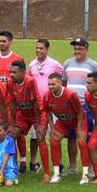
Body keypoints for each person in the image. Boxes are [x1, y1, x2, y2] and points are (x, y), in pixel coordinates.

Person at [62, 37, 97, 175]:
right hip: (71, 107)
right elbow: (64, 83)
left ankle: (89, 168)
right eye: (75, 48)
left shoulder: (93, 65)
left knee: (87, 136)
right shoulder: (67, 63)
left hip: (86, 106)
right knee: (72, 137)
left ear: (86, 50)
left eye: (80, 49)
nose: (77, 51)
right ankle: (72, 167)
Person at [7, 60, 50, 183]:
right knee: (11, 136)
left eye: (14, 72)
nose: (11, 75)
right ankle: (13, 171)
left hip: (37, 113)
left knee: (40, 137)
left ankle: (46, 173)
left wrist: (39, 124)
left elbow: (36, 103)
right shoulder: (10, 83)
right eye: (10, 72)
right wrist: (13, 124)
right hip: (23, 114)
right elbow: (12, 103)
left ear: (22, 72)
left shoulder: (30, 81)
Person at [43, 73, 90, 184]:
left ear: (60, 83)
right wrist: (53, 128)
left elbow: (80, 112)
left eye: (53, 84)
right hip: (63, 122)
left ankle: (85, 175)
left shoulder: (70, 95)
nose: (50, 87)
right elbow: (48, 112)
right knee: (53, 141)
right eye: (49, 84)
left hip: (78, 120)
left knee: (82, 143)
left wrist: (79, 129)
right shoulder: (47, 95)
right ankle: (56, 174)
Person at [27, 39, 63, 173]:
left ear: (47, 49)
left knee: (54, 135)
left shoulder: (55, 64)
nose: (38, 51)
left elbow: (62, 79)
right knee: (35, 135)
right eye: (36, 48)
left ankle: (58, 162)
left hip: (52, 104)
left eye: (41, 48)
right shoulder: (31, 65)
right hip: (36, 105)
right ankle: (33, 162)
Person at [0, 120, 19, 187]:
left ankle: (13, 177)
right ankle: (1, 179)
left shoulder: (10, 141)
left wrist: (2, 171)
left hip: (9, 169)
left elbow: (6, 156)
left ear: (5, 132)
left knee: (8, 184)